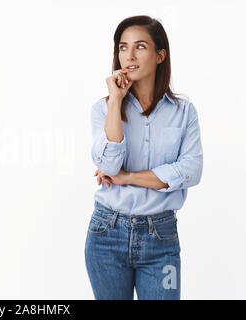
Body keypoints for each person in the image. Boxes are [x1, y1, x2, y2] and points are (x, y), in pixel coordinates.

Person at [84, 15, 203, 300]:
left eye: (140, 47)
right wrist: (115, 100)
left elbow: (191, 171)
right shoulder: (103, 109)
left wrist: (126, 177)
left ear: (160, 55)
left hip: (161, 238)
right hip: (106, 234)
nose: (129, 56)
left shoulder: (184, 112)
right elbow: (109, 165)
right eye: (122, 48)